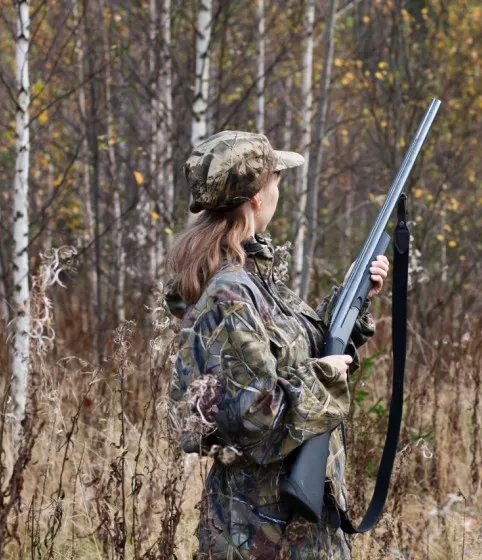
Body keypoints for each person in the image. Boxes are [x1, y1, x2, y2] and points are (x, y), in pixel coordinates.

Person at [165, 131, 389, 559]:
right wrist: (323, 378)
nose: (278, 192)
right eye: (276, 181)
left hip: (290, 526)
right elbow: (254, 416)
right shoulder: (230, 293)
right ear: (255, 199)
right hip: (261, 533)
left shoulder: (251, 277)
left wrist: (353, 300)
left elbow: (295, 350)